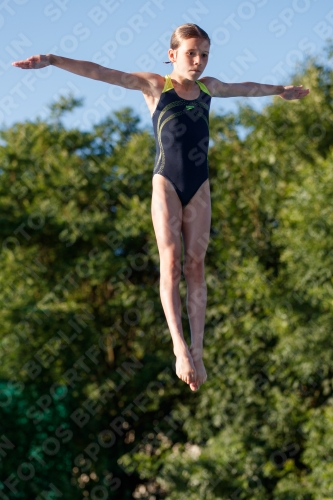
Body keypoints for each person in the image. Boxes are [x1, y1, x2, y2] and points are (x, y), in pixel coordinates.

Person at [12, 23, 310, 392]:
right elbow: (102, 72)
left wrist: (280, 91)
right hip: (166, 182)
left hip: (199, 185)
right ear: (172, 55)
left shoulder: (208, 88)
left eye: (204, 55)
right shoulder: (156, 85)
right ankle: (179, 347)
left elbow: (246, 88)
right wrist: (54, 60)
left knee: (196, 265)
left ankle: (198, 350)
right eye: (191, 53)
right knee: (170, 261)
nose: (198, 61)